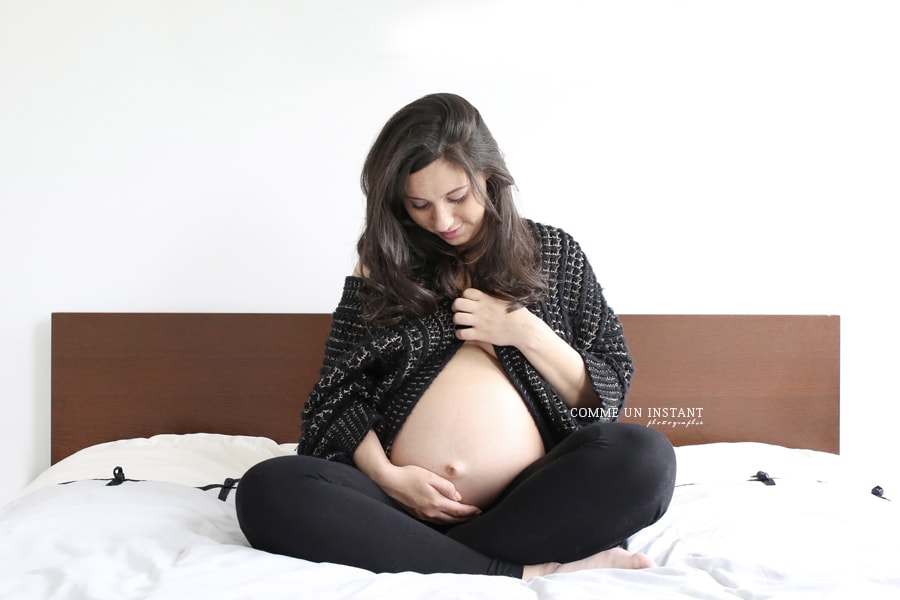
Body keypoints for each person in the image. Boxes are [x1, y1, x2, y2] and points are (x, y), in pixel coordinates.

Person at [236, 92, 676, 580]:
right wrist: (390, 478)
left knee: (645, 458)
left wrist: (523, 330)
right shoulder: (383, 269)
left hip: (527, 500)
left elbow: (605, 396)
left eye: (457, 198)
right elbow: (337, 398)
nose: (442, 221)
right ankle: (518, 569)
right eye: (419, 204)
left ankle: (430, 555)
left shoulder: (554, 253)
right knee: (268, 489)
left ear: (488, 176)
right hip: (395, 502)